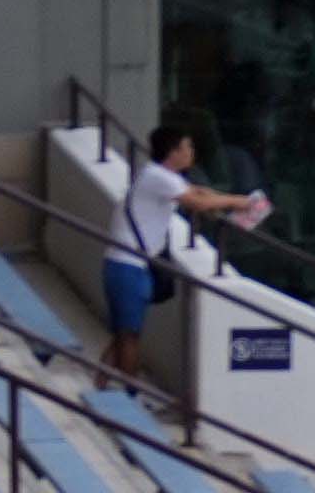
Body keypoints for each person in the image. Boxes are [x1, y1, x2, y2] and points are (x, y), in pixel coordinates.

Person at [108, 122, 270, 383]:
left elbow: (200, 192)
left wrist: (230, 199)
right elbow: (197, 202)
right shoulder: (157, 177)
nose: (191, 152)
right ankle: (128, 394)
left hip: (134, 264)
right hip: (127, 264)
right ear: (173, 152)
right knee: (129, 335)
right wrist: (239, 202)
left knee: (125, 331)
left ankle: (101, 385)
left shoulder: (165, 177)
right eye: (187, 147)